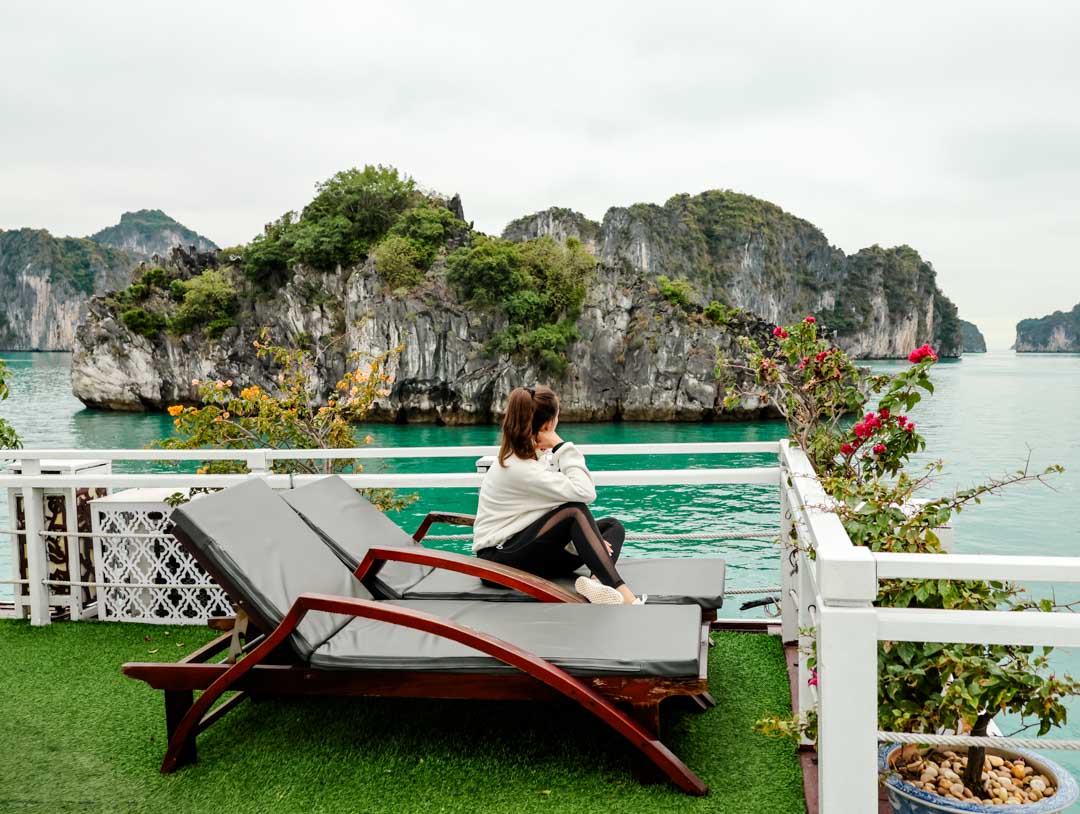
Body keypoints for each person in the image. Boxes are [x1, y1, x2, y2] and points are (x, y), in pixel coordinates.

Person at [472, 385, 645, 605]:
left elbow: (550, 509)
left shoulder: (531, 458)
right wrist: (561, 445)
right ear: (549, 424)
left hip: (525, 551)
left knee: (612, 526)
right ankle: (626, 596)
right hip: (499, 562)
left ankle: (597, 584)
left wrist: (588, 537)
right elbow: (584, 492)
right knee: (574, 512)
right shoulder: (519, 468)